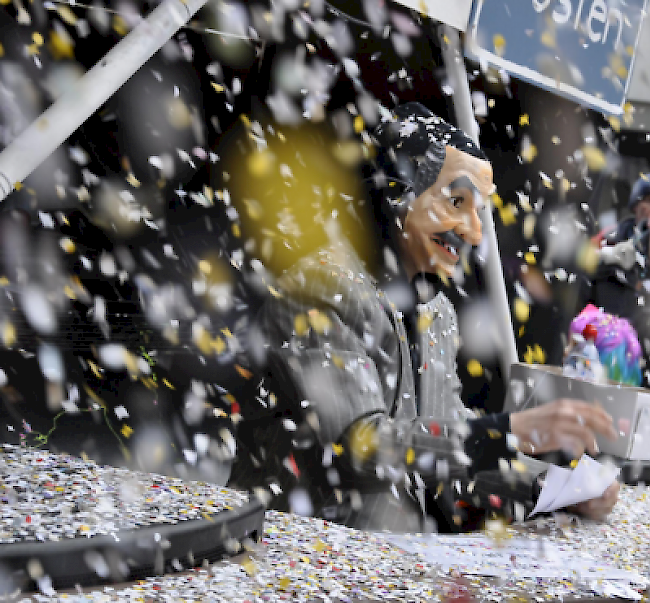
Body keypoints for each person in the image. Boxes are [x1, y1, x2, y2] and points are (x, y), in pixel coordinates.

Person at [229, 103, 620, 533]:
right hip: (297, 563)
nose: (473, 232)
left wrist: (549, 488)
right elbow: (362, 449)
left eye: (479, 212)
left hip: (391, 563)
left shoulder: (437, 313)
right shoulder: (318, 290)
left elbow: (443, 443)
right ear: (397, 193)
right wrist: (506, 432)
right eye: (457, 202)